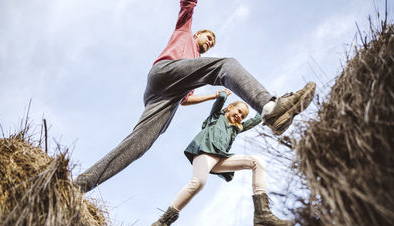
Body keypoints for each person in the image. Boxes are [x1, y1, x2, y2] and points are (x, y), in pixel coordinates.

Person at [73, 0, 316, 193]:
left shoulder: (196, 67)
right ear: (198, 34)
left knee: (139, 144)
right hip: (163, 73)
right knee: (226, 65)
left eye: (212, 42)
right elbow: (187, 4)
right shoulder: (184, 32)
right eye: (208, 37)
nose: (209, 43)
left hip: (168, 98)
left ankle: (80, 185)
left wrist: (212, 98)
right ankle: (270, 107)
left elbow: (186, 99)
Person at [142, 90, 293, 226]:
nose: (240, 116)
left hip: (221, 159)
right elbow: (219, 101)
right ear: (229, 108)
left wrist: (276, 103)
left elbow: (258, 118)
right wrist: (222, 94)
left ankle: (262, 213)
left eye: (243, 116)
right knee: (199, 182)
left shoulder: (237, 128)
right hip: (205, 151)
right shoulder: (216, 117)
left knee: (257, 162)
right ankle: (159, 225)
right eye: (239, 111)